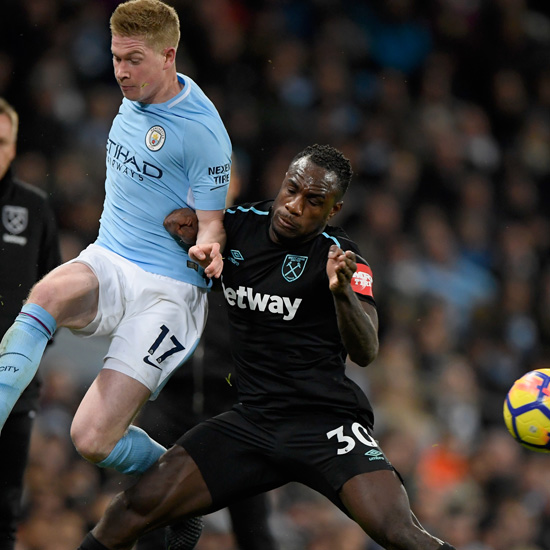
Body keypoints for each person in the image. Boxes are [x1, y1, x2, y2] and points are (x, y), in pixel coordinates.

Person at [76, 144, 457, 550]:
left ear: (333, 210)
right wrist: (175, 226)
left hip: (324, 424)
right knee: (131, 509)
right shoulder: (237, 226)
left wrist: (341, 292)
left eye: (314, 201)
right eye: (291, 189)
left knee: (400, 533)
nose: (294, 206)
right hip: (251, 421)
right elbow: (166, 224)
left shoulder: (342, 258)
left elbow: (366, 351)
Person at [0, 0, 229, 503]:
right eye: (115, 58)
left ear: (168, 56)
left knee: (90, 439)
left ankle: (181, 486)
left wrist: (209, 250)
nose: (121, 73)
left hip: (169, 292)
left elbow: (212, 224)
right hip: (111, 257)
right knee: (48, 292)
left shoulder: (203, 132)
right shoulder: (134, 95)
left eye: (134, 60)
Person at [0, 97, 61, 550]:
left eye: (1, 143)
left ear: (14, 147)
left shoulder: (35, 209)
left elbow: (58, 293)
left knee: (4, 506)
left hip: (15, 387)